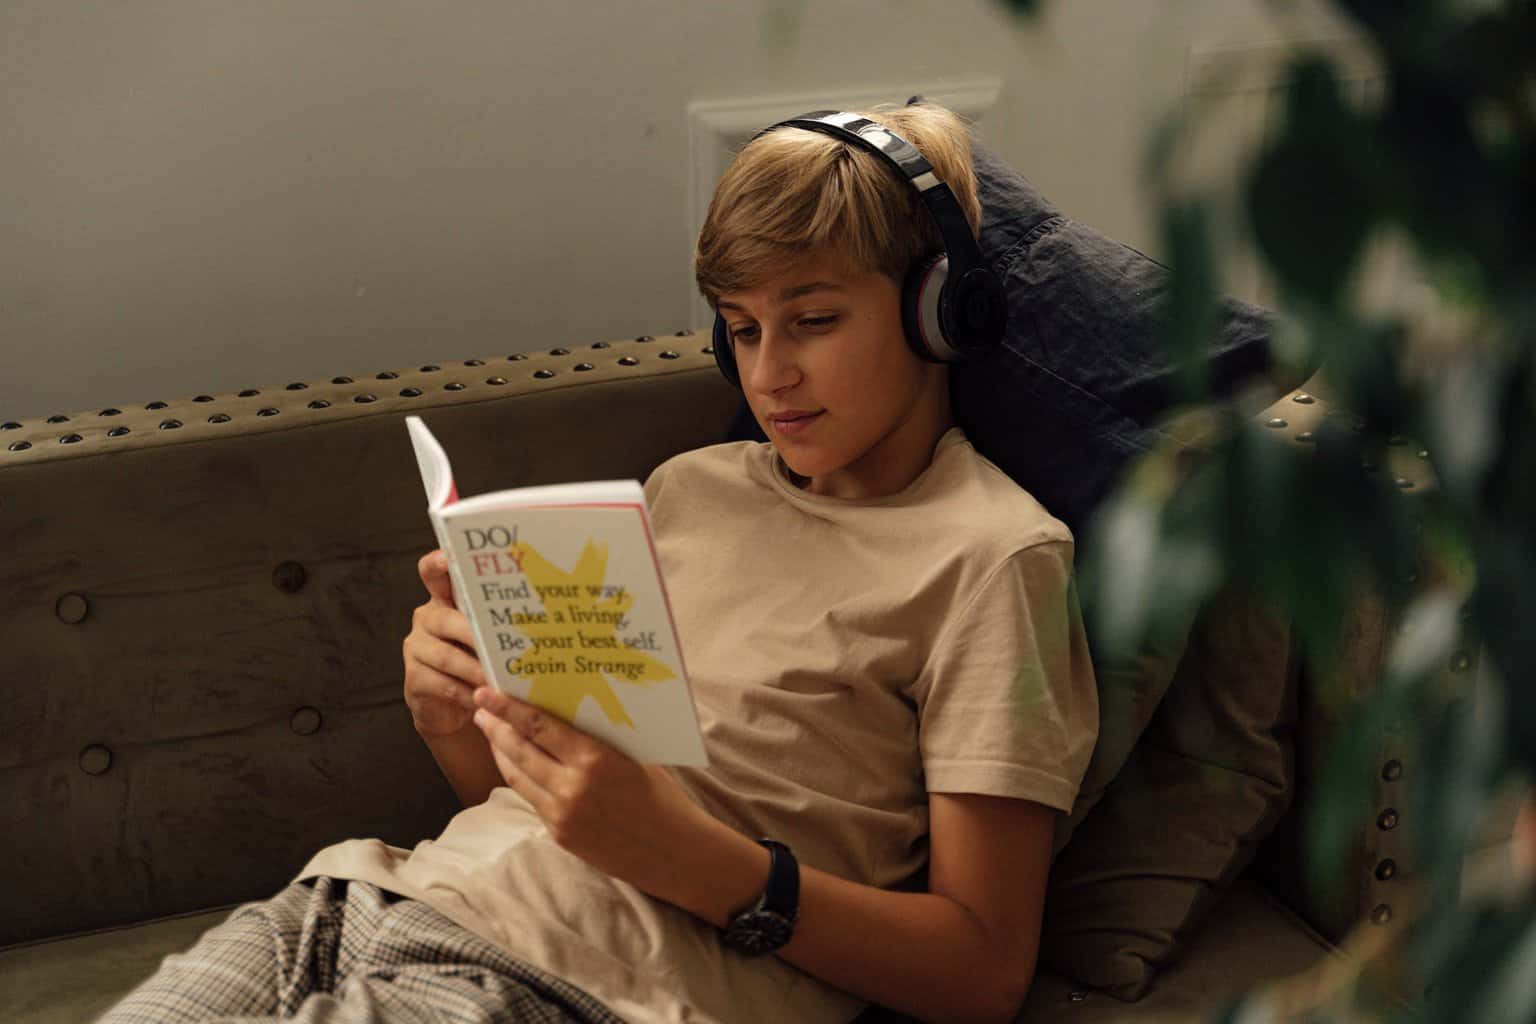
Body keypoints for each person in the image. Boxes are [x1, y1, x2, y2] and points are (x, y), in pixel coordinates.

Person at [100, 102, 1099, 1024]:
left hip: (572, 986)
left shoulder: (994, 558)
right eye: (742, 329)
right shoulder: (687, 489)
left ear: (937, 310)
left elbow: (983, 969)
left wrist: (704, 863)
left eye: (813, 320)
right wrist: (458, 719)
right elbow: (558, 807)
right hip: (355, 898)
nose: (768, 374)